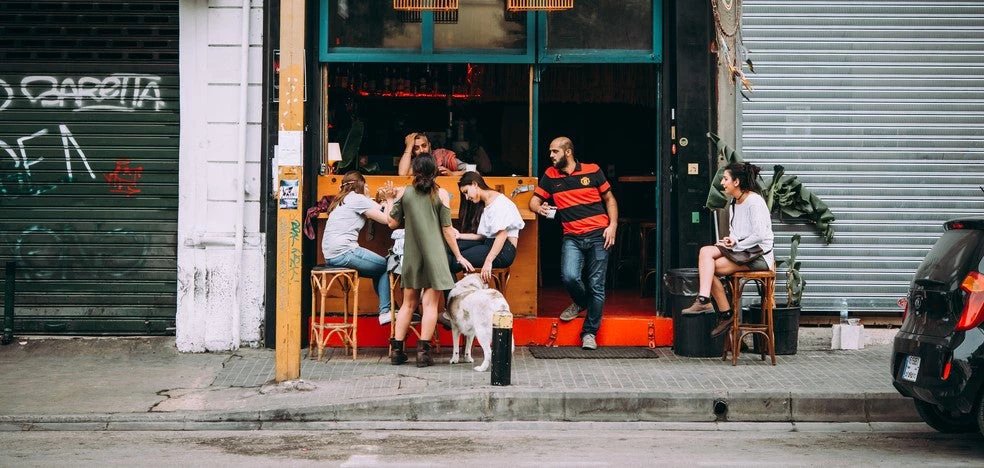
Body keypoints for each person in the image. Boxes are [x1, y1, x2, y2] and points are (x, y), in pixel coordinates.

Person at [529, 137, 618, 350]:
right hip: (572, 237)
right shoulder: (550, 176)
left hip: (599, 235)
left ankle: (589, 333)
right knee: (569, 276)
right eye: (550, 152)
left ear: (568, 152)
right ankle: (582, 301)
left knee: (597, 285)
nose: (551, 155)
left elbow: (610, 199)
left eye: (554, 151)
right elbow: (535, 200)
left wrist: (613, 225)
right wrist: (537, 208)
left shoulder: (593, 170)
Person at [387, 154, 474, 367]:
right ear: (434, 171)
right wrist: (458, 255)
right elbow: (447, 229)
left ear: (414, 172)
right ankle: (423, 355)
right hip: (435, 256)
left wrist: (389, 199)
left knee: (408, 304)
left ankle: (397, 352)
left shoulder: (403, 193)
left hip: (412, 256)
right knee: (430, 304)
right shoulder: (441, 194)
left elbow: (391, 223)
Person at [682, 162, 775, 338]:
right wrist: (730, 240)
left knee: (711, 270)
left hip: (759, 255)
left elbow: (759, 235)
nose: (722, 183)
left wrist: (736, 244)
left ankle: (725, 313)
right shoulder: (734, 202)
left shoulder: (754, 202)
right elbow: (736, 232)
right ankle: (704, 299)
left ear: (737, 182)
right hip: (741, 251)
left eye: (725, 179)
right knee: (705, 252)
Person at [321, 171, 396, 325]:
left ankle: (390, 309)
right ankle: (386, 311)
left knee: (377, 270)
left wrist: (376, 201)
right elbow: (387, 219)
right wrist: (390, 199)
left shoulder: (340, 200)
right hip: (345, 251)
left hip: (330, 255)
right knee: (385, 266)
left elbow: (379, 209)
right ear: (361, 185)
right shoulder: (358, 198)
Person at [448, 171, 525, 281]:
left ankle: (453, 297)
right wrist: (459, 235)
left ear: (475, 184)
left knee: (453, 262)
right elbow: (483, 236)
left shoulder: (499, 202)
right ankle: (454, 296)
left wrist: (488, 262)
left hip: (503, 251)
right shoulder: (486, 202)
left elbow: (502, 235)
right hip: (489, 243)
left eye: (466, 192)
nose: (466, 197)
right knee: (448, 249)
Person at [397, 132, 466, 177]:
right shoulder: (413, 163)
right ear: (412, 151)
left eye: (424, 146)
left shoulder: (441, 156)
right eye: (416, 148)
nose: (421, 150)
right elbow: (402, 174)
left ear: (429, 145)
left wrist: (453, 174)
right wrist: (409, 146)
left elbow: (474, 171)